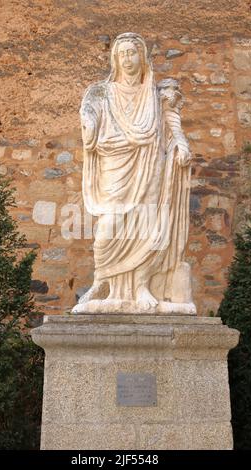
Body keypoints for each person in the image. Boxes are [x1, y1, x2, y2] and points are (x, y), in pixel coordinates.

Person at [74, 32, 195, 314]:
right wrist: (89, 122)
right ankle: (102, 282)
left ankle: (141, 286)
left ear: (143, 57)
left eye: (133, 53)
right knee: (107, 230)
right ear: (116, 59)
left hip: (150, 165)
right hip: (114, 167)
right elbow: (88, 117)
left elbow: (171, 122)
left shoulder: (155, 94)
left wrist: (181, 143)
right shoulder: (101, 92)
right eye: (123, 54)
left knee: (147, 226)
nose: (128, 59)